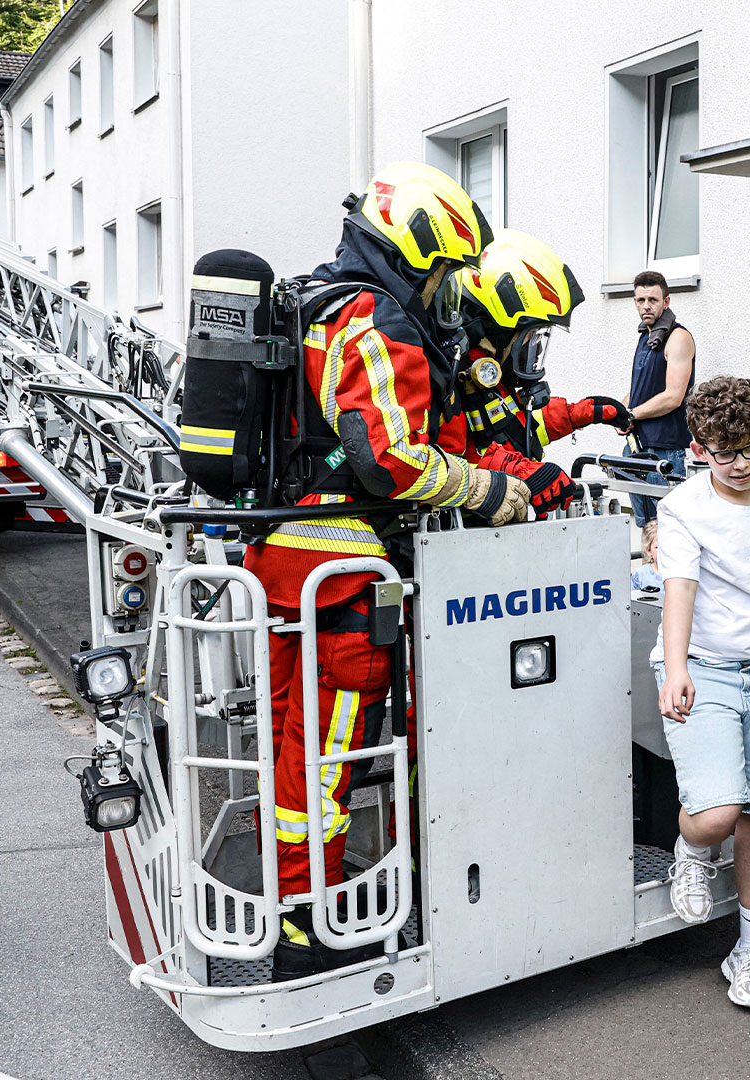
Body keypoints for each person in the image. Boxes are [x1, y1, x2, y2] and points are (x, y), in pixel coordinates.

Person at [244, 162, 529, 981]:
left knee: (286, 746)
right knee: (328, 758)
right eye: (441, 275)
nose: (444, 297)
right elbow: (387, 460)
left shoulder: (316, 304)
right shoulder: (378, 320)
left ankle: (286, 892)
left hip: (277, 558)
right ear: (412, 249)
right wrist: (488, 488)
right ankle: (310, 923)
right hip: (339, 570)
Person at [652, 376, 750, 1009]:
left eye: (748, 450)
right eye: (720, 451)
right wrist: (677, 665)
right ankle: (689, 849)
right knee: (718, 813)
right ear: (698, 446)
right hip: (704, 666)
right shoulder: (684, 507)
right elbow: (679, 586)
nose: (736, 465)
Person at [438, 228, 632, 515]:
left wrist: (578, 414)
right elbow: (453, 461)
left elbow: (517, 429)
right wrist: (525, 472)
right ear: (498, 330)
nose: (535, 350)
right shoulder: (450, 378)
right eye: (530, 337)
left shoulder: (490, 379)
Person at [623, 270, 695, 527]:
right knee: (645, 527)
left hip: (663, 449)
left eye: (652, 300)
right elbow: (644, 387)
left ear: (666, 302)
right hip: (635, 446)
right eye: (640, 300)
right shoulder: (647, 336)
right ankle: (647, 569)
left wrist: (632, 414)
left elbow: (673, 397)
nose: (646, 306)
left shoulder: (678, 338)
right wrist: (621, 409)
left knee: (670, 528)